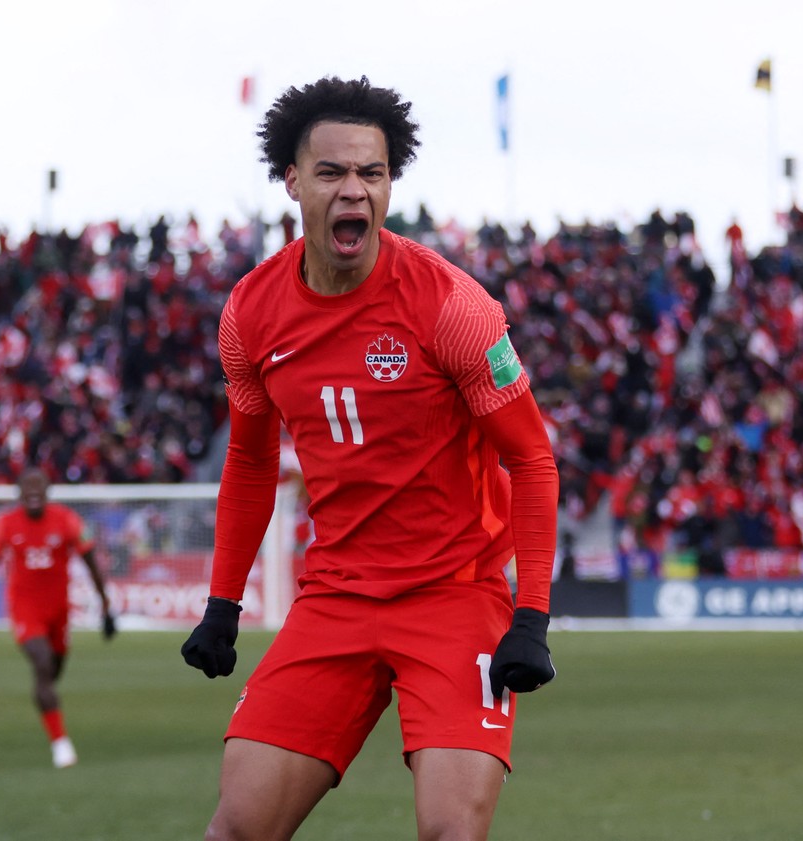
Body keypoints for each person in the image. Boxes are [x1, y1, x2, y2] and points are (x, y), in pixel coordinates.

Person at [180, 76, 559, 841]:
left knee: (451, 830)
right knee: (236, 828)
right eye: (332, 173)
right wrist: (223, 604)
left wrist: (532, 616)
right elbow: (252, 465)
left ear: (389, 184)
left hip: (455, 595)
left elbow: (532, 456)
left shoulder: (453, 308)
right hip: (337, 598)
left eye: (372, 174)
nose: (354, 190)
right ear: (292, 181)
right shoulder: (250, 314)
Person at [0, 467, 116, 768]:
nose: (33, 493)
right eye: (27, 488)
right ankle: (61, 744)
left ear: (47, 492)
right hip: (25, 609)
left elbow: (92, 563)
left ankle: (46, 705)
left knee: (52, 672)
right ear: (19, 493)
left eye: (38, 488)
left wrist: (106, 609)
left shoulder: (67, 520)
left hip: (59, 611)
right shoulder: (6, 523)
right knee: (42, 664)